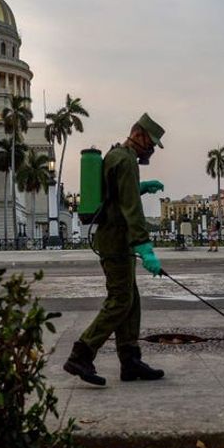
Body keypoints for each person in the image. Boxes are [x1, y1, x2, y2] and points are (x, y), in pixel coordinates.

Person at [63, 113, 166, 386]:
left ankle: (130, 360)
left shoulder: (117, 155)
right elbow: (131, 209)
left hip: (112, 238)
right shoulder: (127, 160)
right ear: (140, 135)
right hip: (116, 239)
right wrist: (145, 247)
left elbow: (116, 194)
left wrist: (141, 186)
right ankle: (81, 353)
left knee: (130, 298)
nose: (152, 150)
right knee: (121, 299)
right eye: (152, 144)